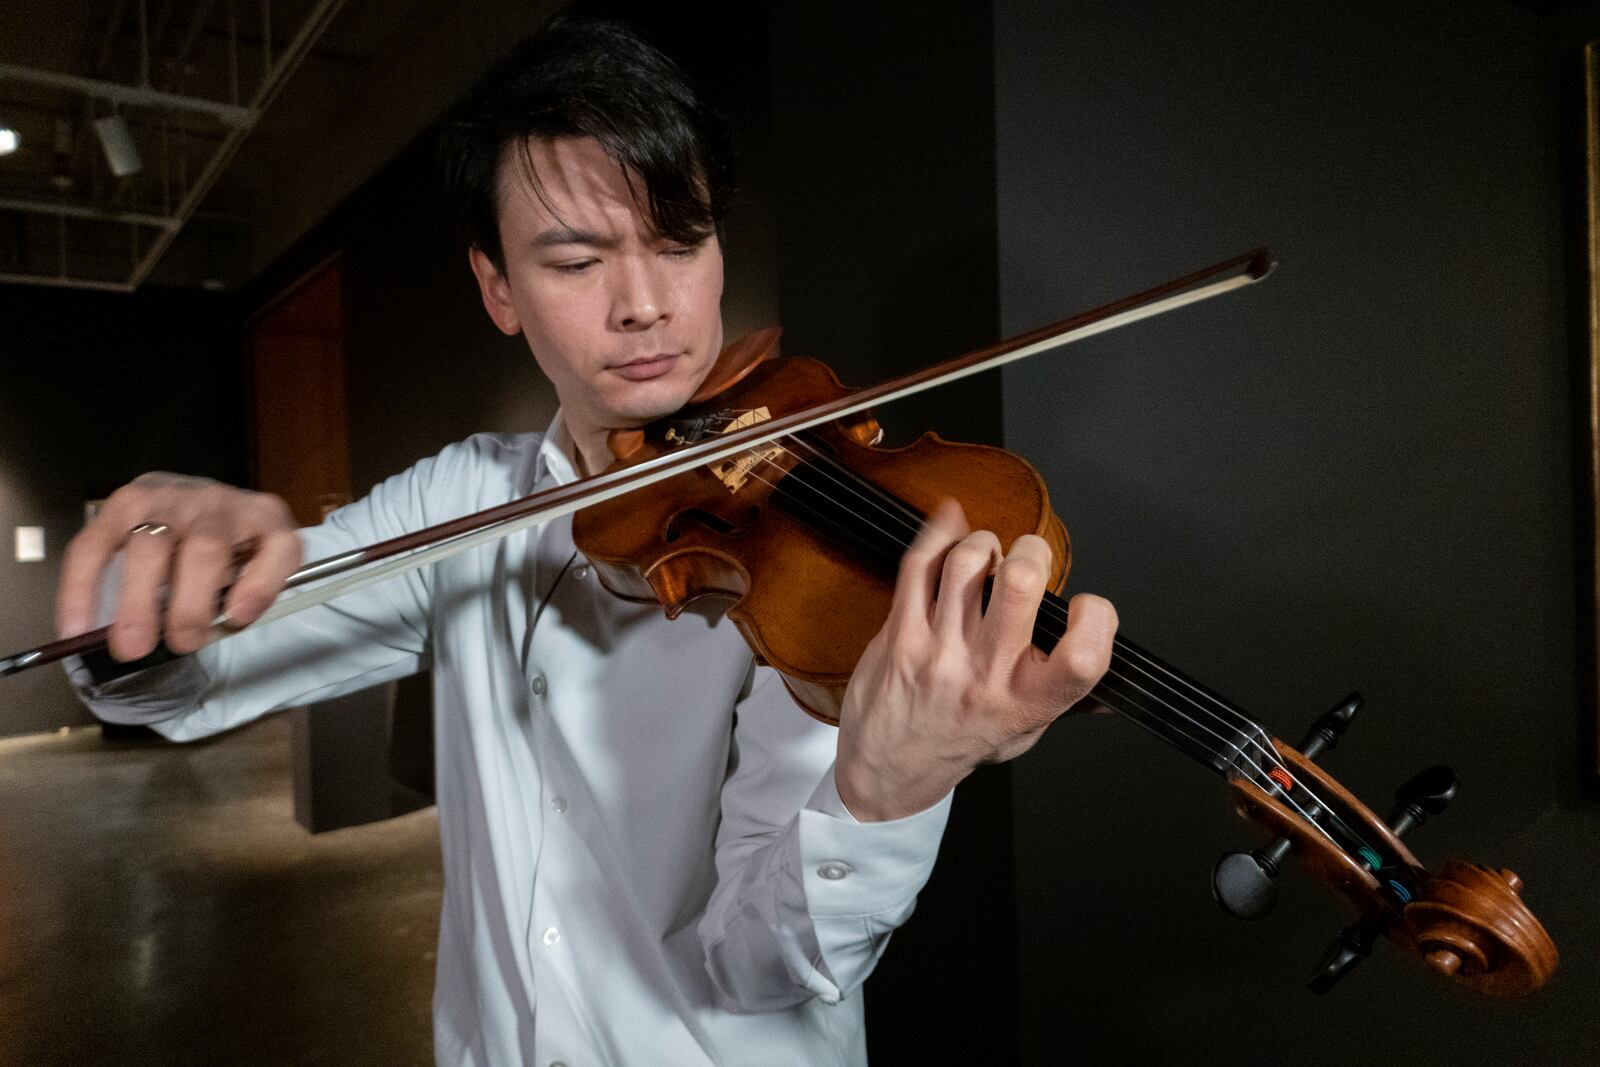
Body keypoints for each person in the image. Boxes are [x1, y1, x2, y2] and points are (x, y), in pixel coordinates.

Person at [57, 16, 1117, 1067]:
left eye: (679, 242)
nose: (647, 306)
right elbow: (174, 687)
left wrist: (879, 799)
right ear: (498, 289)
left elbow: (762, 968)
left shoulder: (797, 573)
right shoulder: (462, 496)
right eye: (577, 260)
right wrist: (156, 570)